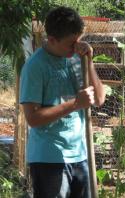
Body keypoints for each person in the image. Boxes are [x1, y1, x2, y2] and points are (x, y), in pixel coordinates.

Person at [20, 6, 105, 197]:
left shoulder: (77, 59)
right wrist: (75, 103)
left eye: (78, 41)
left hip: (80, 154)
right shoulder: (34, 67)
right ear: (52, 40)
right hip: (49, 159)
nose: (76, 47)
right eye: (71, 43)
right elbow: (32, 118)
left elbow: (99, 99)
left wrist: (89, 61)